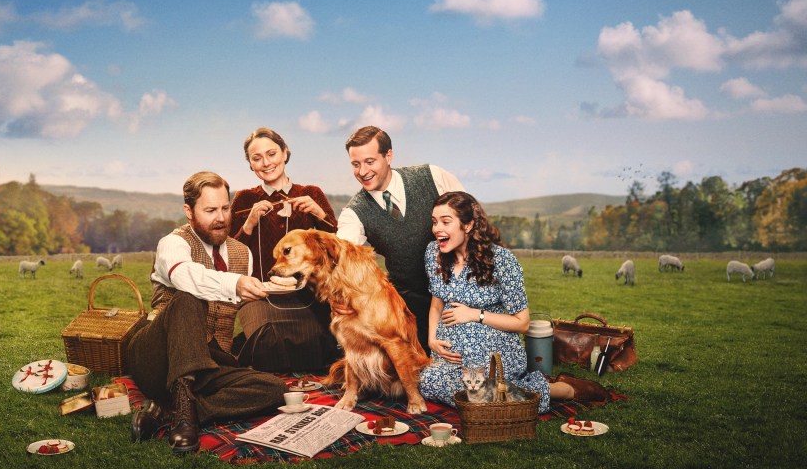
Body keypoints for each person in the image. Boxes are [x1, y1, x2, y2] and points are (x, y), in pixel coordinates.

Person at [126, 171, 284, 453]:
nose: (221, 217)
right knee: (189, 298)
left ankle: (177, 411)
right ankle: (185, 416)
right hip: (156, 356)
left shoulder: (241, 254)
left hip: (207, 361)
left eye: (225, 208)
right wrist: (234, 283)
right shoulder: (173, 243)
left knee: (274, 389)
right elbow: (185, 276)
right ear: (189, 211)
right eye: (210, 210)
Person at [418, 191, 607, 412]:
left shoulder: (501, 260)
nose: (437, 229)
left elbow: (522, 323)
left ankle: (561, 390)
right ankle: (500, 393)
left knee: (481, 396)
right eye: (434, 222)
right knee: (428, 383)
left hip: (493, 356)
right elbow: (437, 301)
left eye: (445, 222)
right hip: (449, 358)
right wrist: (432, 339)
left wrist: (475, 315)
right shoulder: (434, 253)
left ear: (467, 225)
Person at [336, 126, 464, 352]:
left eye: (369, 162)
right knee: (422, 375)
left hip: (460, 294)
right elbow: (342, 257)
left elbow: (471, 221)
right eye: (355, 164)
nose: (362, 171)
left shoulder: (432, 176)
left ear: (388, 155)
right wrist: (339, 293)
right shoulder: (353, 213)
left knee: (478, 369)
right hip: (410, 306)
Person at [229, 127, 339, 371]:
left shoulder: (311, 193)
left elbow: (338, 246)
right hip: (260, 293)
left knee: (321, 340)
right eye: (257, 158)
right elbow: (230, 255)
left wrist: (319, 214)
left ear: (285, 152)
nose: (266, 163)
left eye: (272, 154)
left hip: (308, 294)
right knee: (267, 341)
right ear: (250, 164)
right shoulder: (244, 200)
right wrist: (248, 224)